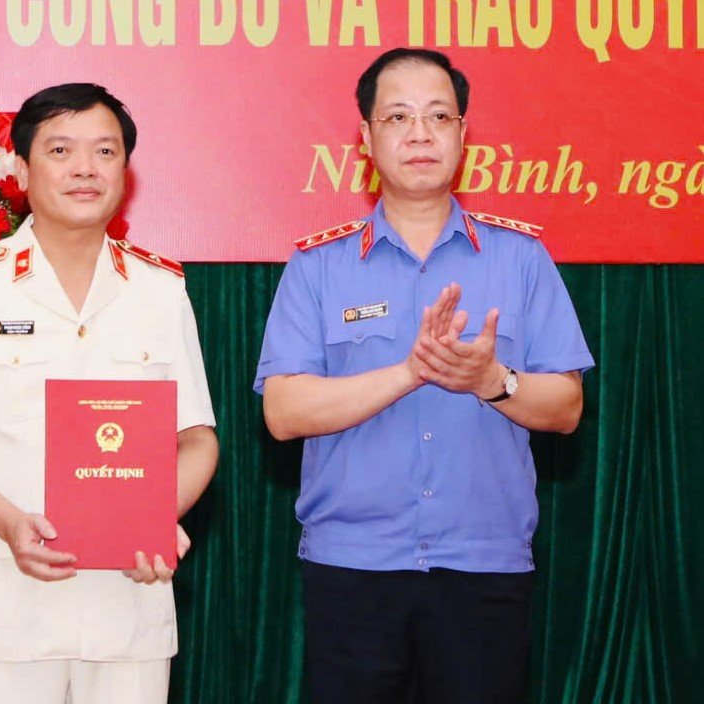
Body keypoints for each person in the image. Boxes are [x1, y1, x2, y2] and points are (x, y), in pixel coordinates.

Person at [254, 48, 594, 703]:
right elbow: (285, 411)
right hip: (353, 567)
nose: (420, 133)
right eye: (399, 116)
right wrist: (413, 370)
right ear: (366, 138)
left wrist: (493, 380)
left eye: (439, 116)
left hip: (483, 567)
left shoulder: (522, 258)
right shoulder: (318, 267)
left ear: (465, 135)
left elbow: (567, 405)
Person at [0, 83, 219, 704]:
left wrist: (155, 517)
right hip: (6, 599)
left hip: (129, 597)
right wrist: (11, 524)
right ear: (21, 169)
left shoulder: (159, 288)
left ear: (126, 167)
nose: (85, 169)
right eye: (61, 150)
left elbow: (197, 437)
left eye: (105, 151)